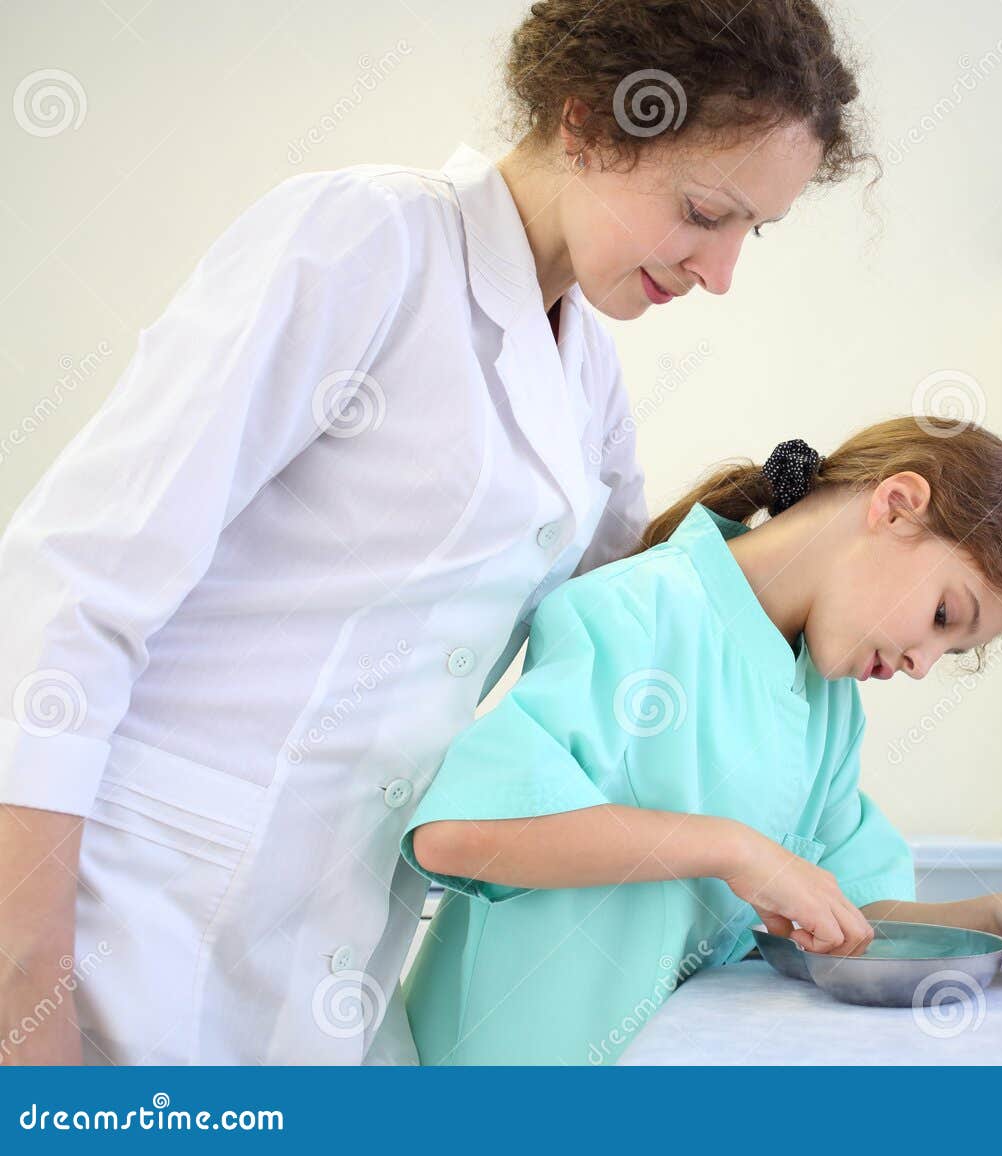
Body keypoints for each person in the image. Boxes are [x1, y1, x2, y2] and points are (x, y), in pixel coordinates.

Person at [0, 0, 872, 1064]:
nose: (721, 271)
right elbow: (73, 582)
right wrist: (22, 970)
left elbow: (625, 631)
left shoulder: (584, 375)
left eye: (753, 231)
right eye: (703, 211)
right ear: (590, 121)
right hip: (126, 907)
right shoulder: (364, 240)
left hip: (331, 939)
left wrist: (837, 560)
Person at [402, 419, 1002, 1065]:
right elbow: (457, 834)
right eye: (943, 615)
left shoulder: (827, 695)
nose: (921, 665)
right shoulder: (633, 611)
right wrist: (733, 849)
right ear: (896, 505)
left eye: (954, 651)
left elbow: (851, 912)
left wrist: (996, 923)